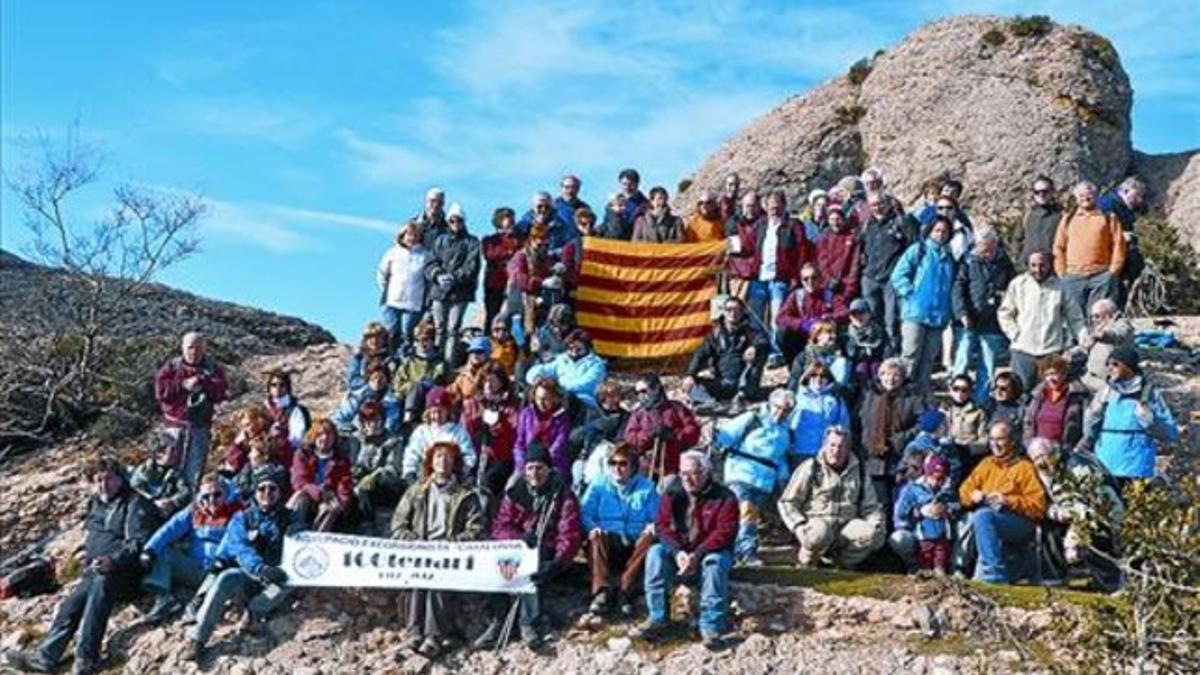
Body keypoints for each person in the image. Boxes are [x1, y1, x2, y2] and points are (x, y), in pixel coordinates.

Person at [5, 456, 154, 675]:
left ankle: (86, 658)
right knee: (71, 606)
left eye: (110, 479)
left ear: (121, 479)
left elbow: (137, 542)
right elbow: (93, 535)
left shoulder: (134, 503)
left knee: (98, 595)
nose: (104, 484)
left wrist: (113, 560)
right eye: (99, 480)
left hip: (126, 573)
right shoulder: (96, 503)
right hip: (95, 570)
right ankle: (45, 657)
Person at [186, 465, 300, 661]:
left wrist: (281, 566)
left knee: (287, 584)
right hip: (250, 575)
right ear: (255, 492)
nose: (266, 493)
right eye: (261, 488)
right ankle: (198, 639)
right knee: (225, 578)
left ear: (280, 492)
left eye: (272, 488)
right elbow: (240, 548)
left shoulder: (291, 517)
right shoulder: (242, 518)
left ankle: (254, 612)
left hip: (277, 578)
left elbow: (301, 547)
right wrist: (260, 569)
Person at [475, 444, 582, 649]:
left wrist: (559, 562)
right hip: (520, 544)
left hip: (546, 546)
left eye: (540, 467)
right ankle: (499, 619)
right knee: (496, 562)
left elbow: (569, 532)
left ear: (549, 469)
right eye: (531, 467)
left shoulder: (562, 494)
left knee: (535, 564)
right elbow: (500, 527)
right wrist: (520, 537)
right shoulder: (515, 493)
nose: (535, 473)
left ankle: (528, 622)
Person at [631, 451, 737, 649]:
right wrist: (677, 551)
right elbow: (662, 525)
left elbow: (725, 532)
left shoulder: (725, 497)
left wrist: (697, 554)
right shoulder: (672, 492)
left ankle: (711, 626)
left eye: (693, 473)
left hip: (710, 551)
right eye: (683, 473)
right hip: (680, 552)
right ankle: (657, 617)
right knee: (655, 553)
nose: (687, 478)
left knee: (715, 563)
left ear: (706, 472)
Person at [391, 441, 486, 658]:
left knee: (437, 582)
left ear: (455, 463)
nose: (442, 462)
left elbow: (476, 528)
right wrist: (412, 540)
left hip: (449, 554)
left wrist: (454, 543)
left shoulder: (466, 495)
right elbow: (398, 524)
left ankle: (433, 636)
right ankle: (414, 632)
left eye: (447, 458)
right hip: (420, 552)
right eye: (438, 457)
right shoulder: (416, 491)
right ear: (430, 463)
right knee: (417, 580)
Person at [778, 425, 885, 569]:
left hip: (845, 529)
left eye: (841, 446)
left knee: (869, 533)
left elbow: (871, 507)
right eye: (832, 445)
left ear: (848, 449)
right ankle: (806, 564)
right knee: (818, 534)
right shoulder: (810, 467)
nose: (836, 451)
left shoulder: (860, 470)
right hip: (817, 525)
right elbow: (787, 502)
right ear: (825, 445)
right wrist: (798, 526)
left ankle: (840, 567)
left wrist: (876, 524)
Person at [139, 473, 240, 624]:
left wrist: (221, 558)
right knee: (163, 552)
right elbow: (170, 528)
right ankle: (164, 598)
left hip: (220, 568)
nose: (211, 500)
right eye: (206, 496)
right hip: (195, 567)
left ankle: (198, 604)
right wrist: (149, 549)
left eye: (217, 495)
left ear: (225, 493)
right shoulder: (194, 510)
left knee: (223, 573)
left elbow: (233, 539)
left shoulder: (237, 512)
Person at [714, 389, 796, 567]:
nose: (780, 413)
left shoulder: (785, 432)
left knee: (747, 516)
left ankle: (734, 550)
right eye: (778, 407)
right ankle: (746, 552)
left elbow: (780, 459)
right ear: (770, 403)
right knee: (746, 513)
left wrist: (785, 481)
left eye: (786, 410)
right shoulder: (752, 418)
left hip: (764, 480)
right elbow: (726, 436)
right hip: (740, 472)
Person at [958, 420, 1046, 584]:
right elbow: (964, 491)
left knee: (982, 516)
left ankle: (995, 575)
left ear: (1012, 441)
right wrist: (973, 495)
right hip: (989, 519)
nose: (995, 444)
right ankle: (959, 568)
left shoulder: (1024, 467)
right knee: (973, 518)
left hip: (1020, 523)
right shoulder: (986, 464)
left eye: (1000, 439)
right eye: (991, 439)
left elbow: (1038, 507)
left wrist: (1008, 501)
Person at [1026, 437, 1124, 584]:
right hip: (1068, 514)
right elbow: (1045, 501)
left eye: (1043, 456)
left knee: (1086, 545)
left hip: (1101, 516)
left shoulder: (1079, 468)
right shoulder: (1041, 471)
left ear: (1052, 451)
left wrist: (1073, 538)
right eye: (1036, 458)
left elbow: (1097, 504)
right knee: (1048, 528)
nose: (1040, 461)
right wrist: (1056, 513)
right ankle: (1054, 578)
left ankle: (1112, 582)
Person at [1078, 345, 1179, 485]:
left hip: (1135, 466)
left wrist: (1150, 420)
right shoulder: (1105, 392)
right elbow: (1090, 433)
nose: (1109, 368)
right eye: (1108, 364)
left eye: (1115, 364)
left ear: (1128, 366)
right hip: (1105, 464)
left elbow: (1171, 433)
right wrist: (1091, 416)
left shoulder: (1148, 393)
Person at [579, 443, 659, 616]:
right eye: (613, 463)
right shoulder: (598, 485)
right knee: (596, 537)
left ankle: (626, 590)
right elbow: (585, 513)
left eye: (623, 464)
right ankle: (601, 592)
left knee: (650, 539)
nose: (617, 468)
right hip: (608, 541)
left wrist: (652, 527)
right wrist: (593, 528)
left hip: (634, 542)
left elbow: (658, 518)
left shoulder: (647, 488)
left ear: (633, 467)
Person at [997, 251, 1088, 393]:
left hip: (1051, 351)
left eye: (1042, 265)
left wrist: (1084, 341)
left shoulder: (1061, 287)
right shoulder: (1018, 284)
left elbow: (1075, 317)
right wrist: (1014, 333)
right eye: (1033, 265)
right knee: (1019, 392)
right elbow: (1004, 313)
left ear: (1049, 265)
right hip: (1023, 350)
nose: (1037, 270)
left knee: (1048, 394)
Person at [890, 216, 957, 391]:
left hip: (938, 317)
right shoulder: (918, 250)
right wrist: (911, 295)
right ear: (930, 231)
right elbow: (898, 275)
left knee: (928, 359)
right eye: (937, 230)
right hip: (915, 314)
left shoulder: (950, 257)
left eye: (944, 231)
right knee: (910, 355)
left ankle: (921, 395)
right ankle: (902, 393)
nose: (941, 234)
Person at [155, 331, 229, 489]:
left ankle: (188, 504)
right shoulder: (172, 367)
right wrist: (182, 385)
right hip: (173, 429)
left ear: (204, 349)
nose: (194, 352)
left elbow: (220, 392)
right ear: (182, 348)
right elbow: (160, 391)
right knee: (167, 470)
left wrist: (202, 382)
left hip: (199, 429)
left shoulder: (214, 369)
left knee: (193, 475)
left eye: (198, 348)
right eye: (190, 347)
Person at [951, 225, 1015, 403]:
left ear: (995, 245)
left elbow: (1012, 289)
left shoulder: (1005, 263)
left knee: (988, 364)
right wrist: (962, 313)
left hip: (992, 322)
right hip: (968, 319)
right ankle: (958, 400)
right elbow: (958, 288)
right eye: (982, 249)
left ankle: (981, 403)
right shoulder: (968, 261)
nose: (986, 254)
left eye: (989, 249)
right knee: (962, 362)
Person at [749, 189, 812, 366]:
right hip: (759, 278)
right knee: (757, 317)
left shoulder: (793, 225)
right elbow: (751, 247)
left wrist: (796, 277)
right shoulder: (761, 224)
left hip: (781, 278)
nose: (774, 210)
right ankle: (759, 349)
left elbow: (802, 252)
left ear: (784, 206)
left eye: (777, 207)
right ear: (765, 207)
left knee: (777, 318)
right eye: (771, 207)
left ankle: (776, 353)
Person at [857, 358, 926, 506]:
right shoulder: (869, 395)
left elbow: (922, 424)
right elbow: (858, 422)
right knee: (879, 503)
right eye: (886, 374)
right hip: (873, 458)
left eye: (896, 375)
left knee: (897, 503)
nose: (891, 379)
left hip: (899, 458)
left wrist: (901, 438)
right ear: (880, 376)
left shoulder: (912, 398)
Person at [859, 190, 919, 355]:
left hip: (892, 278)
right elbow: (860, 248)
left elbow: (913, 248)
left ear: (886, 204)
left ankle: (891, 354)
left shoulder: (900, 223)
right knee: (871, 317)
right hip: (870, 277)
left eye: (880, 204)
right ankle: (875, 352)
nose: (877, 207)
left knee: (891, 319)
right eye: (873, 205)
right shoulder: (866, 225)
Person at [1053, 181, 1126, 316]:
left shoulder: (1109, 217)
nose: (1085, 198)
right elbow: (1059, 247)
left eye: (1089, 195)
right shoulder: (1068, 219)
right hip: (1073, 276)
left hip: (1101, 276)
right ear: (1076, 198)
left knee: (1100, 317)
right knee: (1073, 318)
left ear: (1096, 196)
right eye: (1081, 195)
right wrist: (1061, 272)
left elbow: (1119, 244)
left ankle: (1098, 338)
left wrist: (1113, 271)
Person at [682, 297, 769, 407]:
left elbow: (763, 341)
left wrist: (755, 347)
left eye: (737, 310)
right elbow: (700, 354)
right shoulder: (715, 334)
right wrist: (690, 374)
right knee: (693, 384)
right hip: (723, 384)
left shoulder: (749, 331)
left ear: (742, 312)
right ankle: (709, 404)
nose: (733, 313)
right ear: (723, 311)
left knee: (761, 351)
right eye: (729, 309)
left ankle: (743, 397)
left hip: (745, 384)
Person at [426, 203, 481, 362]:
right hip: (438, 290)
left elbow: (472, 266)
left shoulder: (472, 242)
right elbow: (430, 262)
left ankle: (448, 364)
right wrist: (437, 275)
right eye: (452, 220)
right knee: (438, 328)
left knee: (453, 329)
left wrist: (454, 278)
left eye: (459, 220)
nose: (455, 224)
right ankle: (435, 362)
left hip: (460, 292)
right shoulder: (440, 240)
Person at [624, 374, 701, 481]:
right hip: (645, 468)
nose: (641, 396)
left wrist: (673, 436)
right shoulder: (638, 414)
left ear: (656, 388)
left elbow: (693, 432)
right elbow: (630, 438)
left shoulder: (676, 408)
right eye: (638, 393)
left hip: (673, 468)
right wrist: (649, 434)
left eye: (644, 391)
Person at [460, 363, 520, 501]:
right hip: (474, 454)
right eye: (485, 380)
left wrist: (499, 425)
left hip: (501, 458)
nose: (488, 384)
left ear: (501, 383)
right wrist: (479, 421)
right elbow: (465, 432)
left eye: (492, 380)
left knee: (487, 484)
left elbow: (514, 434)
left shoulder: (511, 405)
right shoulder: (472, 403)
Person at [891, 454, 958, 574]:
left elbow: (958, 505)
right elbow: (901, 513)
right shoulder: (914, 489)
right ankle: (921, 570)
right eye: (934, 477)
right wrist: (919, 511)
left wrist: (947, 510)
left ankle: (941, 570)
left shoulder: (948, 491)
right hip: (923, 532)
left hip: (943, 533)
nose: (937, 482)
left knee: (941, 553)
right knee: (925, 552)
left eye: (941, 479)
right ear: (927, 474)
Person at [346, 401, 405, 533]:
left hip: (384, 483)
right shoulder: (354, 439)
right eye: (368, 420)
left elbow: (394, 468)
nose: (372, 424)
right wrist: (358, 471)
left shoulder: (394, 440)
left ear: (382, 420)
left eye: (376, 420)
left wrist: (375, 476)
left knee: (366, 489)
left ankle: (368, 525)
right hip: (358, 481)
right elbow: (350, 464)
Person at [401, 386, 477, 486]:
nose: (436, 416)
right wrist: (410, 474)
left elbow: (469, 456)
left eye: (440, 411)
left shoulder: (459, 432)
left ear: (447, 411)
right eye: (433, 412)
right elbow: (411, 455)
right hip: (424, 480)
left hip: (451, 481)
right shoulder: (421, 432)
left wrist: (461, 472)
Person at [288, 418, 354, 532]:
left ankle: (316, 541)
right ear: (314, 437)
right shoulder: (302, 454)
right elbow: (300, 481)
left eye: (329, 434)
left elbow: (344, 485)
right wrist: (320, 493)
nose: (324, 438)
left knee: (329, 508)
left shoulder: (341, 460)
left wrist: (341, 503)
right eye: (320, 434)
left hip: (328, 499)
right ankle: (295, 535)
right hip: (309, 496)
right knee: (301, 498)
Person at [376, 221, 431, 352]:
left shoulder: (425, 254)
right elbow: (382, 273)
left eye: (415, 235)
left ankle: (404, 362)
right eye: (409, 235)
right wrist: (386, 290)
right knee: (392, 332)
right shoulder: (392, 252)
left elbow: (427, 278)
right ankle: (390, 360)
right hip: (392, 301)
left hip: (413, 303)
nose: (412, 238)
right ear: (402, 236)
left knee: (408, 333)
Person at [777, 263, 848, 363]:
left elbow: (844, 312)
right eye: (806, 279)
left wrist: (828, 318)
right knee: (782, 333)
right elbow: (781, 317)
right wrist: (801, 324)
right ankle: (793, 364)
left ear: (820, 279)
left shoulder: (828, 295)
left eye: (813, 278)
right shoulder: (796, 295)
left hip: (824, 338)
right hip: (802, 337)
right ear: (801, 281)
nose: (810, 282)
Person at [524, 328, 608, 408]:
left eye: (578, 349)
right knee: (532, 392)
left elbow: (586, 384)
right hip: (560, 395)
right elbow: (542, 369)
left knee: (569, 399)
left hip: (583, 401)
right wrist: (537, 378)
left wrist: (558, 387)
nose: (574, 352)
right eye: (571, 348)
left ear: (587, 348)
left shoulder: (597, 364)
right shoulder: (562, 359)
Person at [1022, 355, 1089, 449]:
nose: (1050, 378)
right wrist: (1028, 445)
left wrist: (1077, 449)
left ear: (1064, 374)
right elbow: (1028, 423)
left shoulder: (1078, 396)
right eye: (1047, 375)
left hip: (1065, 451)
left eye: (1054, 373)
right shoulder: (1037, 395)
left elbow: (1087, 426)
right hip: (1038, 451)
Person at [130, 428, 193, 524]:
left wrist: (172, 502)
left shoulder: (175, 473)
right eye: (172, 451)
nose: (176, 454)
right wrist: (152, 501)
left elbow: (185, 491)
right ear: (159, 453)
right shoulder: (143, 471)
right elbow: (135, 490)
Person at [790, 362, 851, 460]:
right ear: (808, 377)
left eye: (823, 376)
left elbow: (843, 425)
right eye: (814, 375)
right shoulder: (797, 398)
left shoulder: (835, 399)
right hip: (801, 451)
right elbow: (788, 424)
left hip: (825, 453)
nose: (818, 379)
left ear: (828, 379)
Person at [391, 322, 448, 426]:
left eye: (425, 339)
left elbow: (446, 385)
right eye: (418, 340)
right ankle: (409, 417)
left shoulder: (440, 363)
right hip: (409, 399)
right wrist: (413, 385)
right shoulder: (408, 362)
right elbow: (397, 385)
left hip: (432, 402)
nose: (422, 344)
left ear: (432, 341)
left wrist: (434, 386)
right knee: (417, 386)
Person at [514, 379, 572, 479]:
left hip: (553, 465)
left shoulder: (562, 417)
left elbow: (559, 445)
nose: (541, 402)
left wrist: (543, 464)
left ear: (555, 398)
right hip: (528, 464)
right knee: (512, 487)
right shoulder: (526, 414)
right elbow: (519, 444)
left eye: (546, 399)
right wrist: (523, 463)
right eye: (538, 398)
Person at [1080, 298, 1134, 393]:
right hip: (1091, 376)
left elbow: (1118, 335)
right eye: (1092, 317)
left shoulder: (1122, 324)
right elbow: (1085, 346)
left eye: (1097, 316)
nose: (1094, 320)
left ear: (1109, 315)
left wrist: (1104, 335)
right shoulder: (1097, 327)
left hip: (1109, 381)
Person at [334, 360, 402, 436]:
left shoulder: (391, 401)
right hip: (357, 432)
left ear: (387, 380)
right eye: (374, 377)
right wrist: (353, 429)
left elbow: (392, 421)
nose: (377, 381)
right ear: (368, 379)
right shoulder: (358, 396)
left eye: (381, 378)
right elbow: (339, 418)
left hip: (381, 434)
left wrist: (383, 431)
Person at [481, 206, 522, 331]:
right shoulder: (489, 240)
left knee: (513, 317)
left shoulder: (519, 239)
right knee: (492, 315)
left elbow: (521, 256)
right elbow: (490, 255)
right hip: (494, 283)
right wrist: (509, 254)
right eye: (506, 217)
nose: (510, 220)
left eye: (511, 217)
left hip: (513, 283)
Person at [1014, 176, 1062, 270]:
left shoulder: (1060, 217)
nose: (1041, 195)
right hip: (1028, 269)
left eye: (1045, 191)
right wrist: (1019, 259)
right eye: (1037, 192)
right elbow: (1017, 239)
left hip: (1053, 269)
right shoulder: (1027, 216)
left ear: (1052, 192)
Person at [723, 190, 762, 302]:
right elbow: (734, 249)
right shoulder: (732, 223)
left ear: (759, 206)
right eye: (747, 206)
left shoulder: (765, 223)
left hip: (759, 274)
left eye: (753, 206)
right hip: (738, 274)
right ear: (742, 205)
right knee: (737, 305)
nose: (750, 209)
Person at [814, 206, 860, 298]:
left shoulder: (851, 238)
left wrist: (849, 286)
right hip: (827, 286)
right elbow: (822, 262)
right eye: (832, 219)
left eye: (838, 219)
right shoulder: (823, 239)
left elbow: (855, 264)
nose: (835, 223)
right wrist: (828, 280)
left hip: (846, 286)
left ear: (843, 219)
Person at [263, 369, 311, 458]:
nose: (278, 388)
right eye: (274, 385)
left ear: (287, 388)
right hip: (263, 452)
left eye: (282, 385)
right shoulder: (263, 409)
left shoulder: (295, 410)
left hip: (289, 453)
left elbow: (297, 438)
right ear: (269, 388)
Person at [943, 374, 988, 466]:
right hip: (946, 454)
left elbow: (984, 441)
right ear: (950, 390)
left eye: (964, 390)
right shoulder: (944, 410)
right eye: (956, 389)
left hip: (968, 455)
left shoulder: (978, 412)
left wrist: (967, 449)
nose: (959, 393)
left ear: (970, 392)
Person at [844, 299, 887, 394]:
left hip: (876, 359)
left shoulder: (877, 329)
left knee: (876, 368)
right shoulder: (849, 333)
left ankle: (880, 393)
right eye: (854, 315)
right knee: (861, 369)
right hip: (859, 360)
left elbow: (883, 347)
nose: (858, 317)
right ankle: (865, 395)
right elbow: (850, 353)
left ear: (869, 314)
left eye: (861, 313)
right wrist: (859, 349)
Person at [345, 321, 397, 392]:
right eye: (370, 337)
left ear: (384, 339)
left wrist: (385, 381)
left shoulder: (391, 357)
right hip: (364, 392)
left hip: (387, 392)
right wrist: (370, 381)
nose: (374, 340)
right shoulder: (358, 358)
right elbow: (352, 381)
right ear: (365, 340)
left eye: (378, 337)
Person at [447, 336, 492, 404]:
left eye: (479, 351)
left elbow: (472, 391)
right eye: (472, 351)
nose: (475, 355)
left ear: (487, 353)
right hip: (467, 411)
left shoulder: (492, 372)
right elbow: (452, 389)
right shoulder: (465, 373)